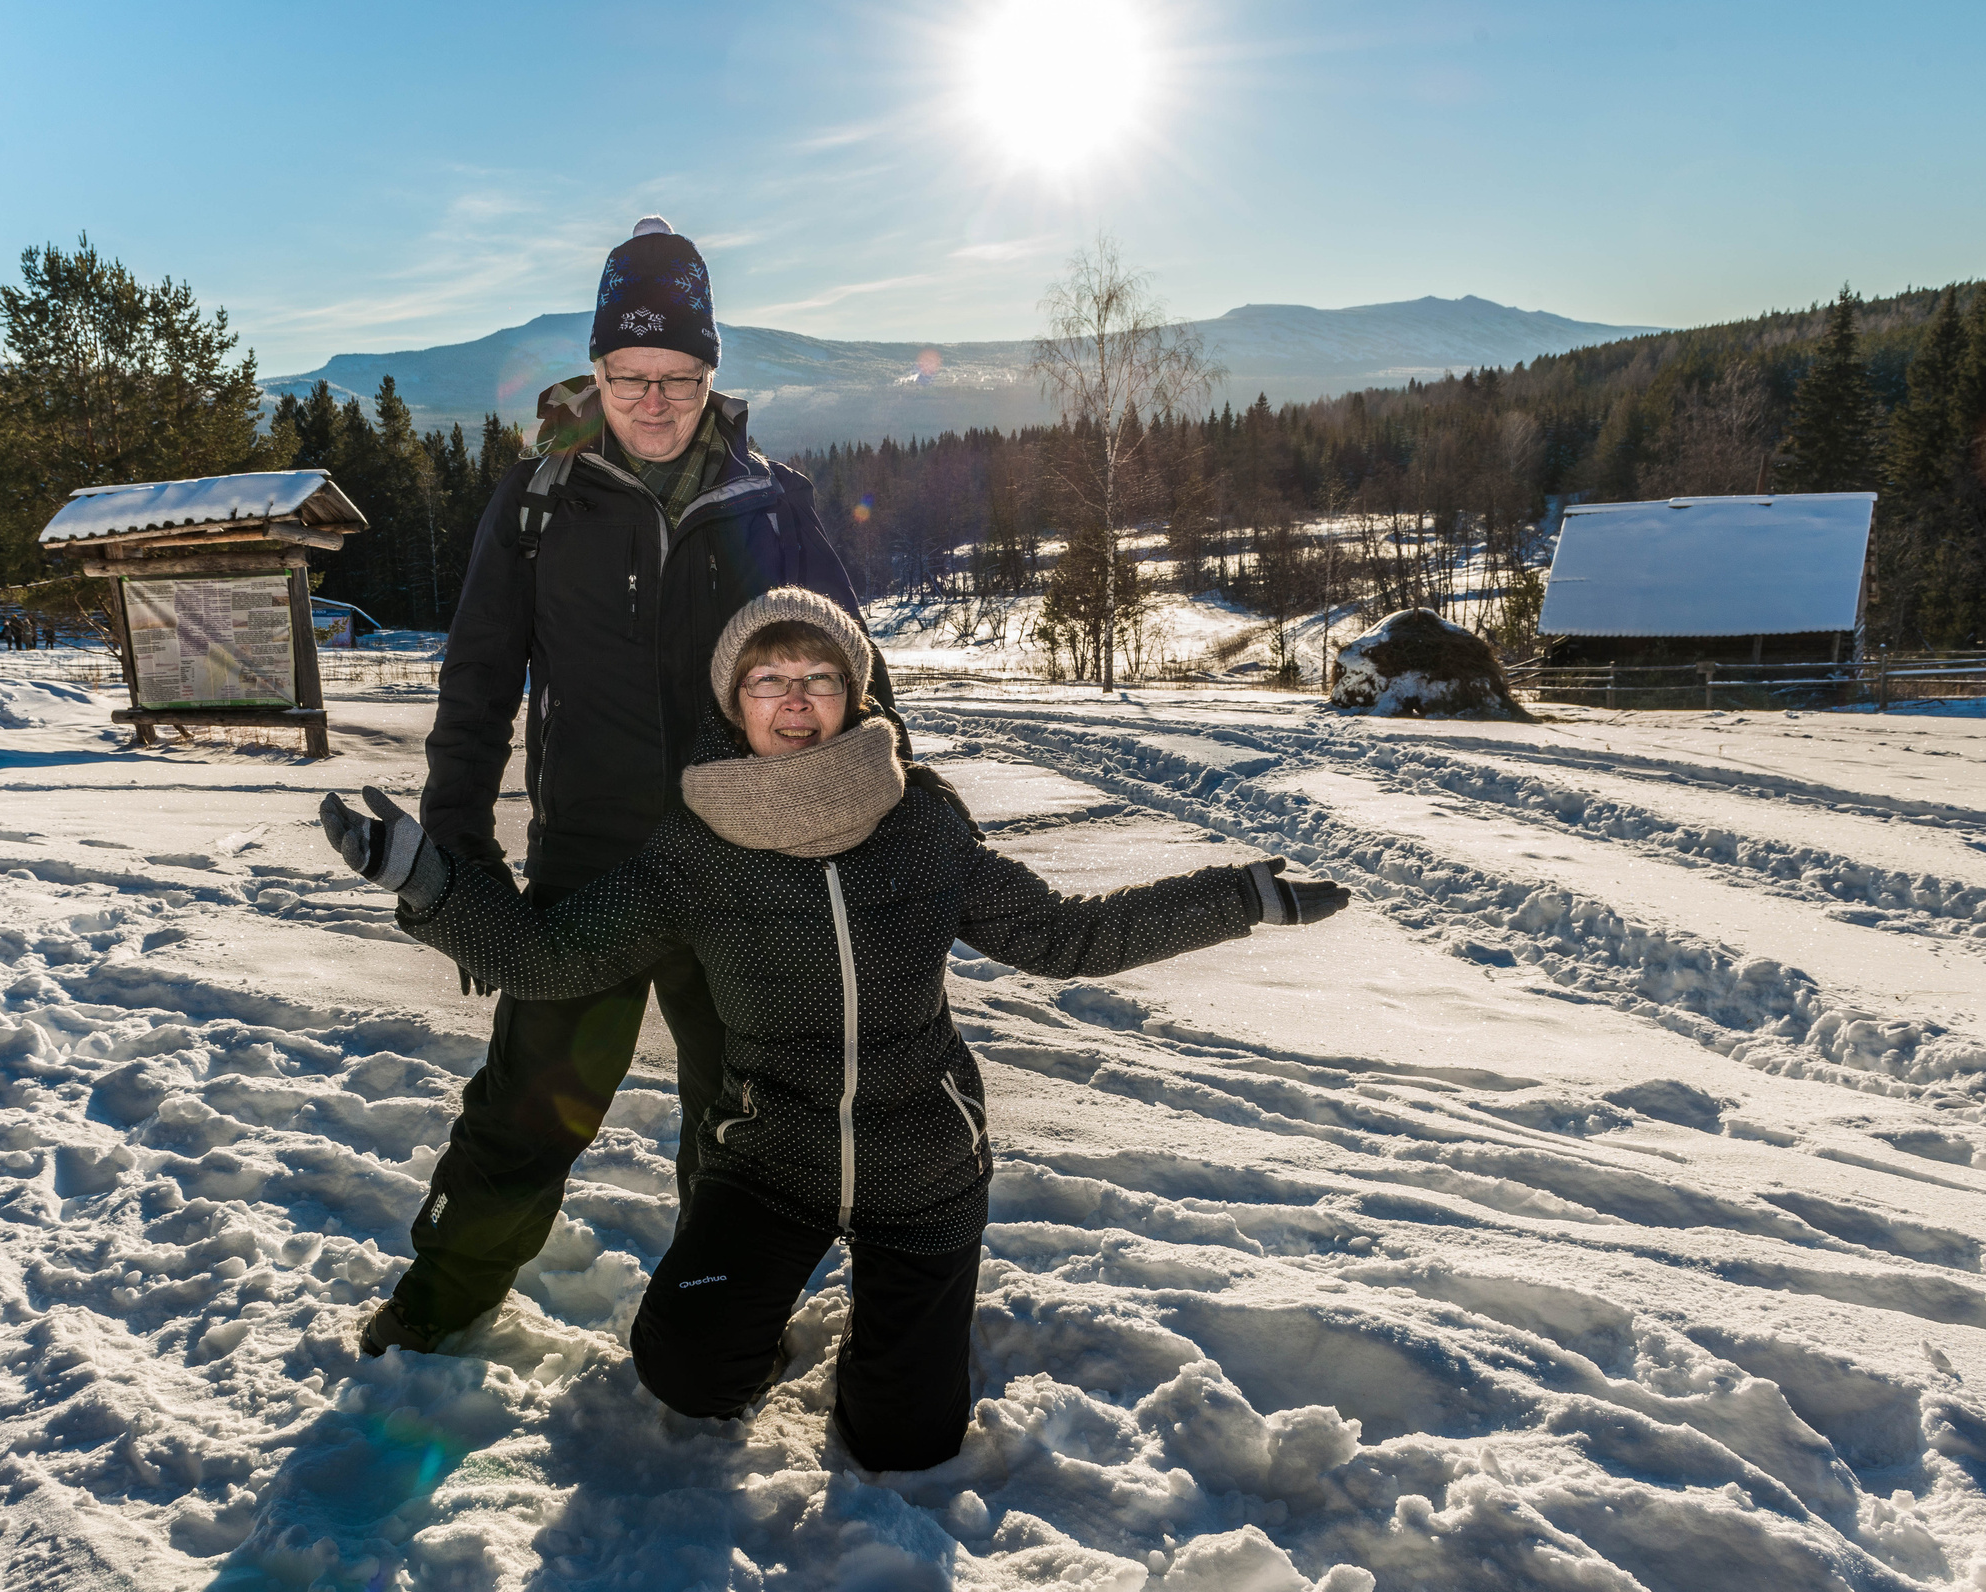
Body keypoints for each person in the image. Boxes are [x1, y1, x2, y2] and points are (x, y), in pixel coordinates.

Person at [321, 590, 1352, 1470]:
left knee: (906, 1441)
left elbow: (1060, 936)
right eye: (768, 679)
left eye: (819, 675)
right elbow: (549, 959)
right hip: (774, 1158)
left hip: (923, 1160)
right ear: (734, 702)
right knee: (685, 1371)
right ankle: (781, 1312)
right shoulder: (693, 848)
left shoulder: (922, 821)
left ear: (854, 693)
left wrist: (1240, 896)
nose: (796, 700)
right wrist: (427, 881)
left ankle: (896, 1329)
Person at [370, 218, 883, 1360]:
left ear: (713, 375)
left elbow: (862, 691)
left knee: (741, 1125)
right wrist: (460, 859)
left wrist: (874, 847)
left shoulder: (774, 505)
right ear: (594, 372)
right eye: (628, 376)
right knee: (525, 1109)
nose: (653, 402)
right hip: (588, 872)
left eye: (679, 378)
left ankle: (717, 1324)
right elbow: (477, 686)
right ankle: (436, 1309)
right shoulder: (541, 499)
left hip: (745, 866)